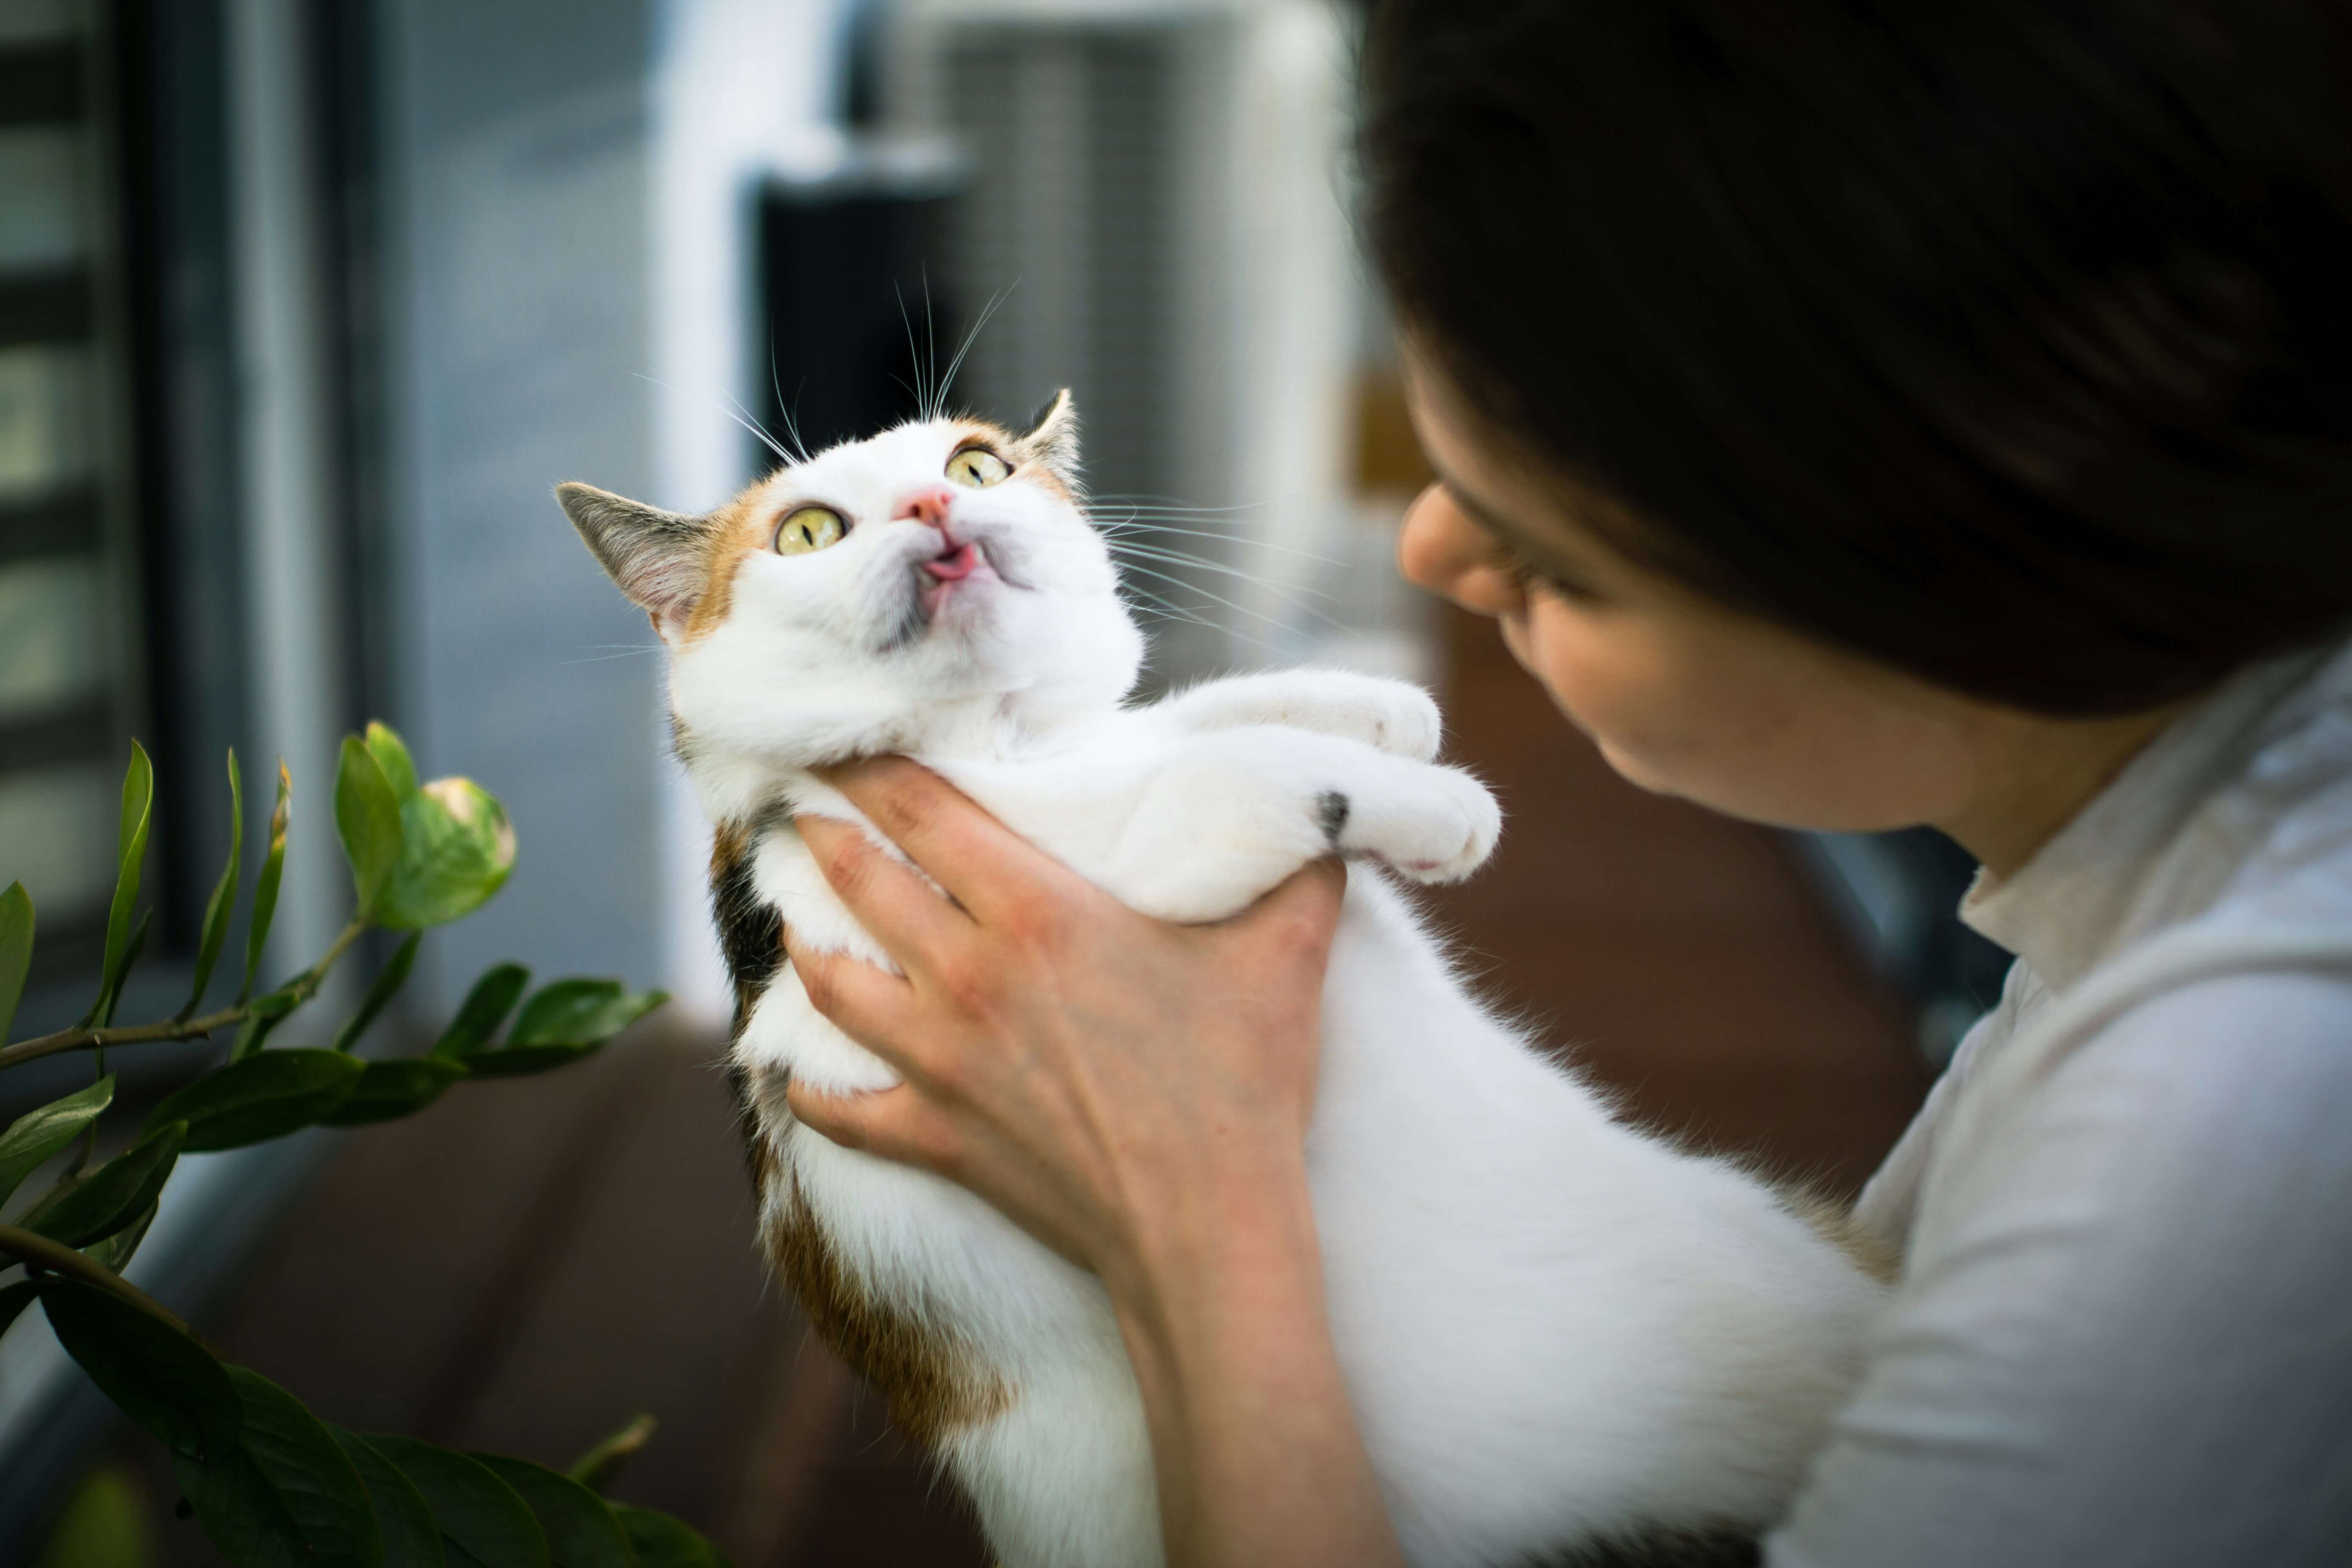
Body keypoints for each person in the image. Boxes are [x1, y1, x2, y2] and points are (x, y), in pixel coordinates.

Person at [781, 1, 2352, 1562]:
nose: (1428, 553)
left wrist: (1189, 1201)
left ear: (1951, 546)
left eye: (1555, 558)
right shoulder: (2170, 872)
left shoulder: (2233, 1105)